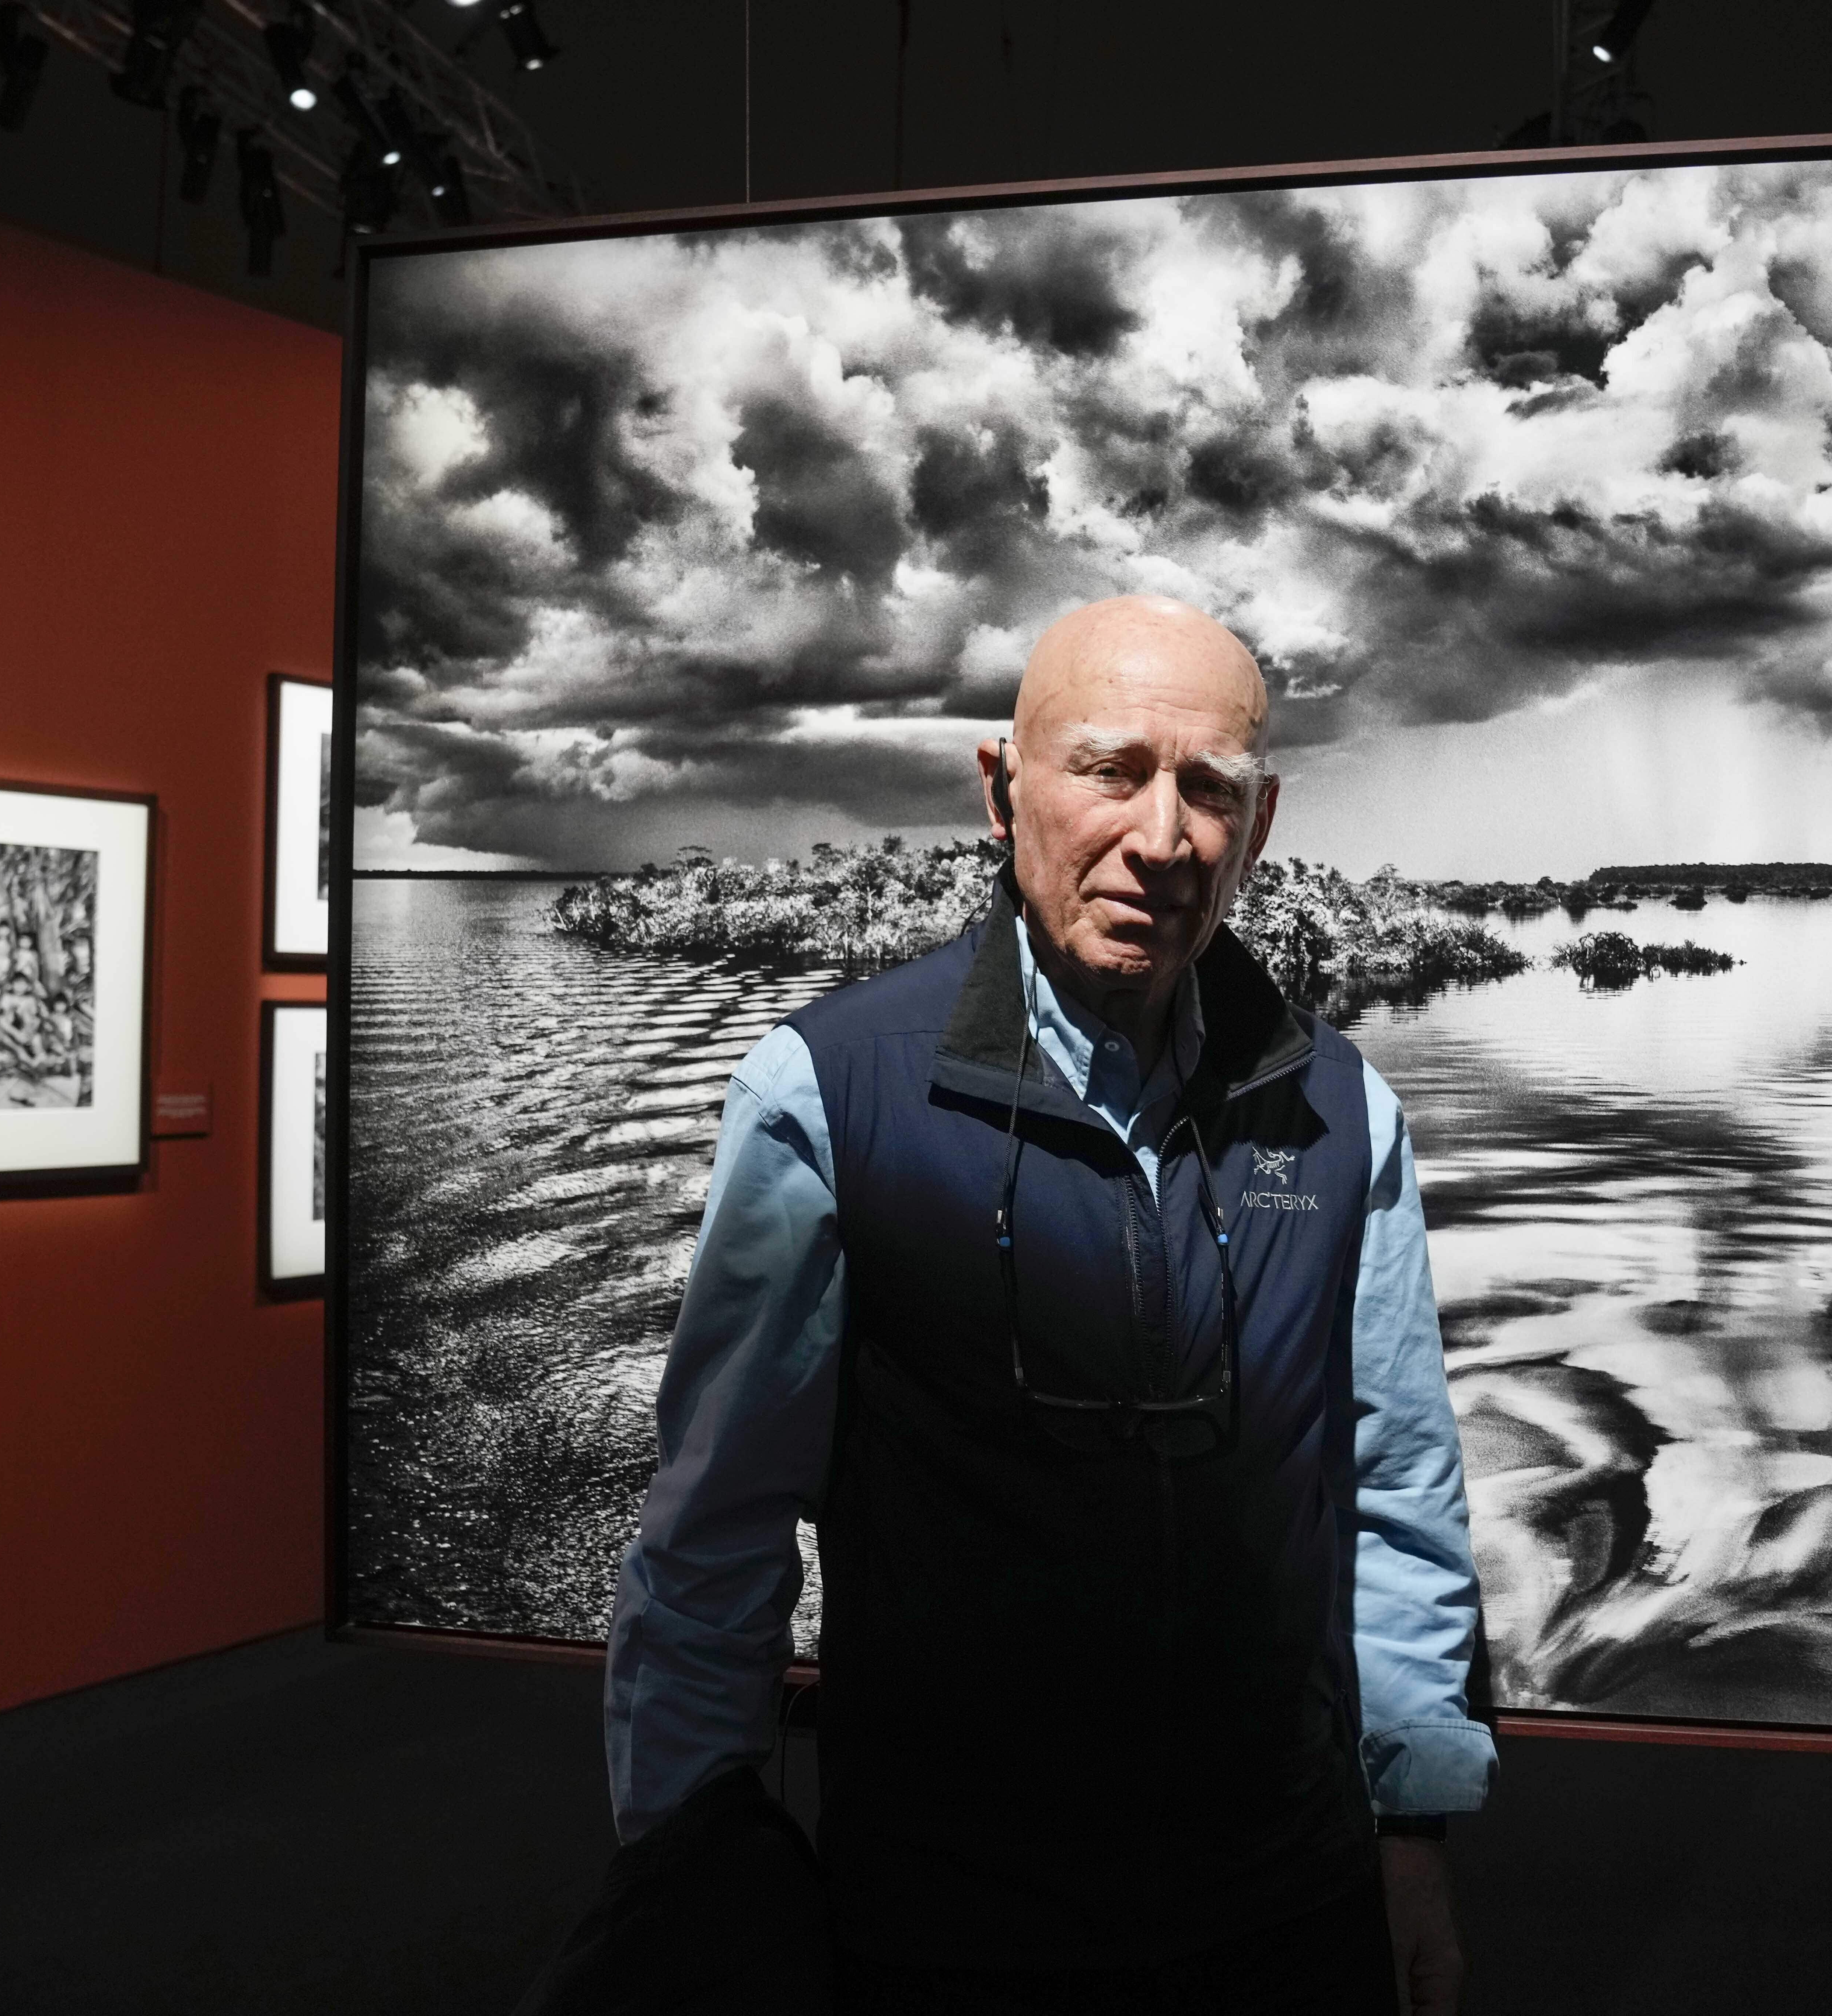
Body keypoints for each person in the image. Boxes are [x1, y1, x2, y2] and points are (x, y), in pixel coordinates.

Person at [594, 594, 1495, 2014]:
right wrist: (690, 1875)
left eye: (1209, 789)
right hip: (948, 1923)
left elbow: (1394, 1497)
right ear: (1002, 786)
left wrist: (1414, 1834)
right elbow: (717, 1534)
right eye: (1110, 769)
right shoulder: (830, 1096)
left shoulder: (1339, 1112)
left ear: (1258, 827)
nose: (1162, 837)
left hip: (1286, 1900)